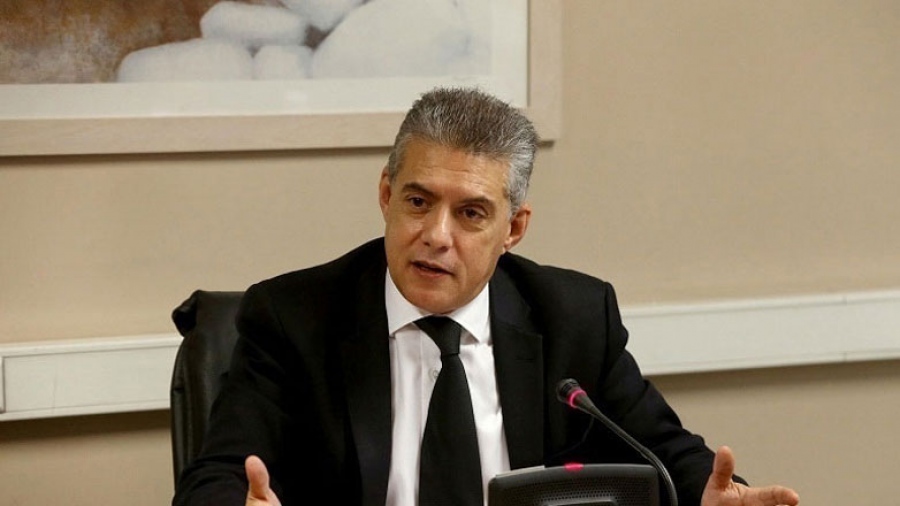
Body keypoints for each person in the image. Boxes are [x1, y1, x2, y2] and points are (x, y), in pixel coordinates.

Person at [172, 86, 799, 506]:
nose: (436, 236)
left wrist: (710, 497)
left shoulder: (574, 318)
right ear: (386, 196)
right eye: (418, 201)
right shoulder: (293, 318)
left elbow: (666, 454)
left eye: (471, 213)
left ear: (514, 229)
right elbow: (216, 476)